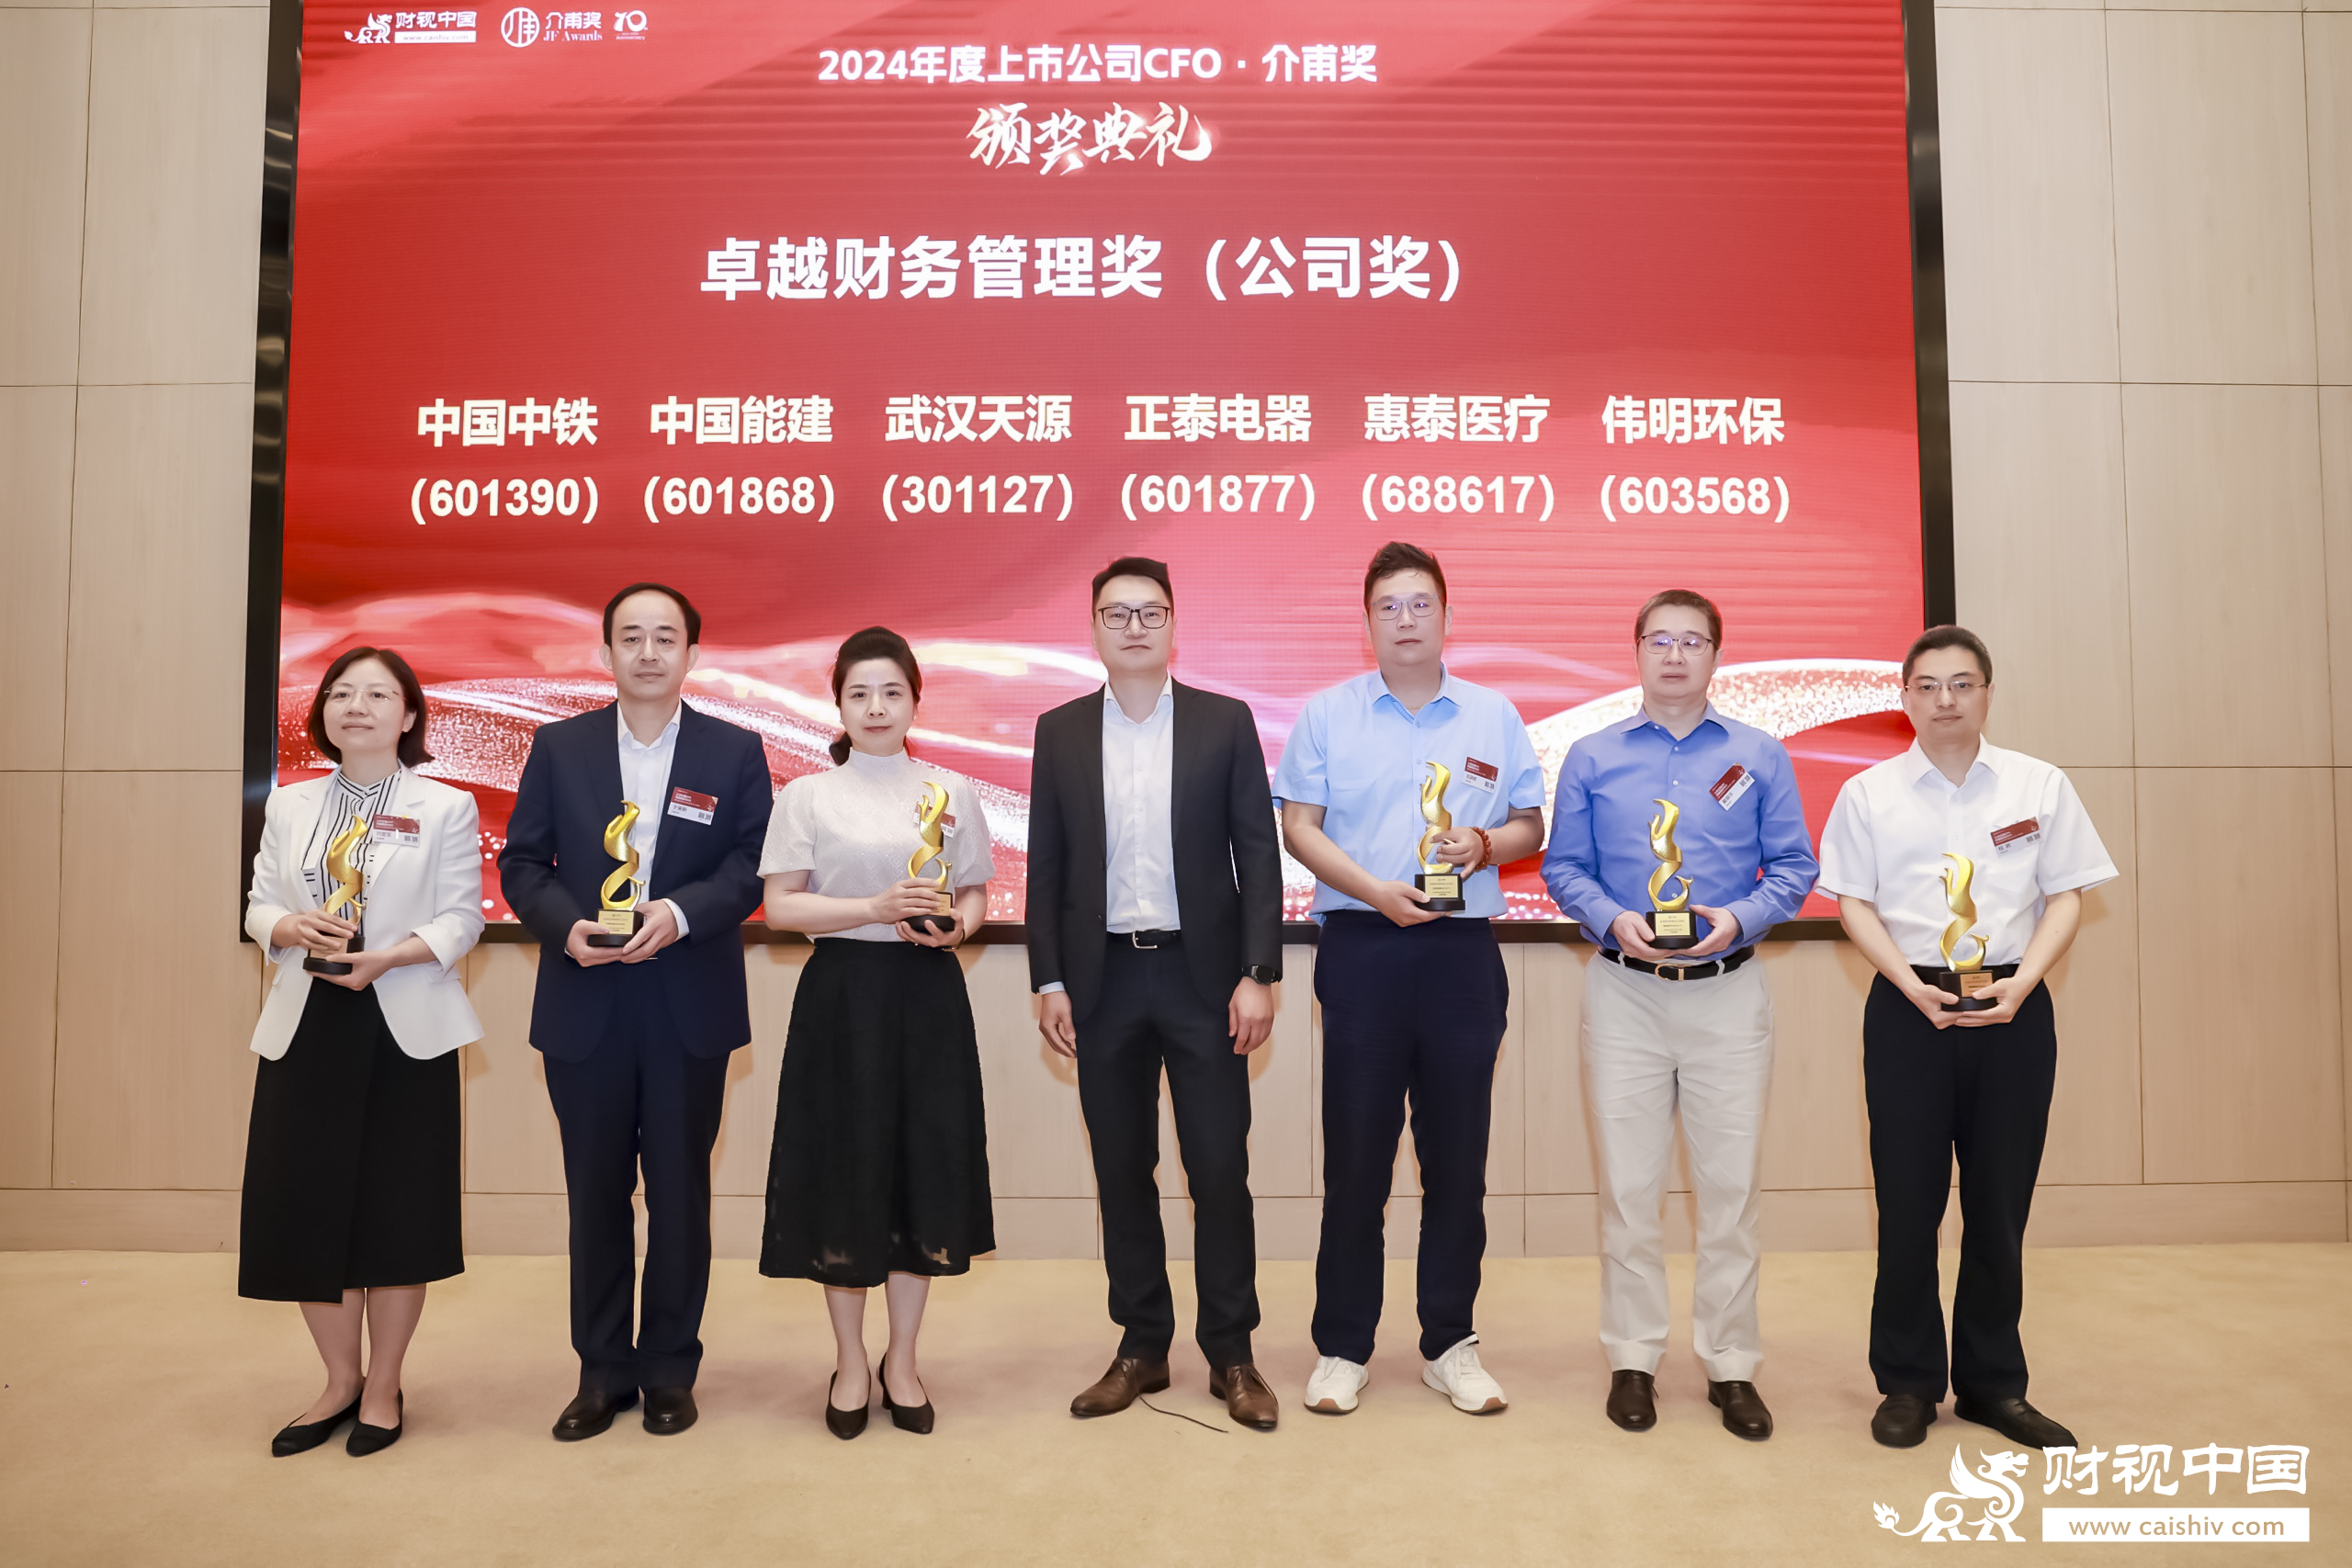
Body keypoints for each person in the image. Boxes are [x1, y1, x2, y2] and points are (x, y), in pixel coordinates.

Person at [1818, 625, 2114, 1451]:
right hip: (1907, 1003)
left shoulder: (2039, 783)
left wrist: (2027, 981)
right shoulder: (1868, 792)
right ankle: (1908, 1381)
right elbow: (1853, 901)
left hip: (2014, 1003)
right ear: (1905, 697)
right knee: (1907, 1201)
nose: (1944, 699)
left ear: (1987, 692)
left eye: (1961, 684)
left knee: (1999, 1201)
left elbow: (2067, 894)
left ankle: (1993, 1383)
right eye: (1927, 685)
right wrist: (1905, 982)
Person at [1272, 542, 1546, 1416]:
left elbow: (1530, 822)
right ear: (1366, 623)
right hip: (1363, 944)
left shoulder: (1493, 714)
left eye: (1420, 603)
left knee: (1457, 1159)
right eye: (1387, 606)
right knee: (1357, 1156)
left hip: (1462, 952)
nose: (1404, 619)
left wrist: (1485, 844)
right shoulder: (1327, 714)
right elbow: (1299, 827)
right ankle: (1343, 1346)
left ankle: (1449, 1343)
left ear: (1447, 617)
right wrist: (1373, 892)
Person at [1541, 590, 1818, 1441]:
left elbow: (1794, 866)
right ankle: (1633, 1358)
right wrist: (1608, 916)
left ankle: (1731, 1365)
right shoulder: (1591, 755)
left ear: (1715, 655)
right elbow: (1563, 867)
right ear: (1635, 651)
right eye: (1659, 640)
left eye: (1691, 641)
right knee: (1630, 1190)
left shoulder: (1760, 753)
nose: (1674, 655)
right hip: (1623, 988)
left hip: (1728, 992)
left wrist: (1741, 916)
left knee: (1729, 1191)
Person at [497, 582, 772, 1441]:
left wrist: (680, 912)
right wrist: (564, 926)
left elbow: (751, 864)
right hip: (586, 997)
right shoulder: (560, 746)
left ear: (693, 652)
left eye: (665, 637)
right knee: (596, 1194)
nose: (648, 652)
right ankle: (602, 1370)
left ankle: (669, 1368)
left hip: (688, 999)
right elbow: (522, 864)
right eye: (631, 636)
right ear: (606, 651)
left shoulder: (735, 750)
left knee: (681, 1194)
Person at [1029, 557, 1286, 1431]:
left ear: (1174, 623)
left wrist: (1259, 972)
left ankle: (1232, 1352)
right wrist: (1049, 977)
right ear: (1094, 629)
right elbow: (1047, 863)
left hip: (1202, 979)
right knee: (1121, 1167)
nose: (1134, 626)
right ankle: (1142, 1344)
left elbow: (1258, 855)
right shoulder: (1060, 730)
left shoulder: (1224, 721)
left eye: (1150, 612)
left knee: (1217, 1167)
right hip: (1099, 980)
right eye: (1117, 613)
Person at [242, 646, 484, 1458]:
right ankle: (338, 1380)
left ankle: (384, 1384)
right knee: (306, 1205)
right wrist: (287, 925)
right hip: (308, 1022)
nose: (358, 706)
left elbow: (462, 918)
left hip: (402, 1020)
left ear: (408, 714)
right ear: (324, 713)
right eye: (342, 692)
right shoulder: (289, 803)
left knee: (398, 1210)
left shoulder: (445, 805)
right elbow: (258, 904)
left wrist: (390, 955)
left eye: (379, 694)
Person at [758, 627, 996, 1438]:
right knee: (845, 1173)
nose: (876, 706)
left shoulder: (951, 790)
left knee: (917, 1171)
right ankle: (851, 1360)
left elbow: (974, 892)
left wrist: (959, 928)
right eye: (859, 692)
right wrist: (872, 907)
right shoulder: (808, 796)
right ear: (838, 704)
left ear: (916, 700)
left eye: (892, 691)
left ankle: (903, 1359)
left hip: (927, 997)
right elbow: (781, 906)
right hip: (841, 997)